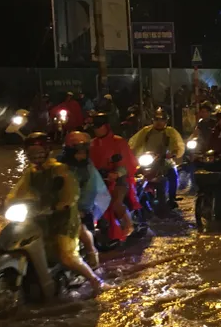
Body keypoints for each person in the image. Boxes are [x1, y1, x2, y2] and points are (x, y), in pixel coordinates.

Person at [7, 132, 102, 294]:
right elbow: (18, 191)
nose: (35, 156)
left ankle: (96, 281)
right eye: (31, 152)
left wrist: (62, 204)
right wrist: (7, 204)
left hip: (63, 218)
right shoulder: (31, 172)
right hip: (40, 215)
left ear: (47, 151)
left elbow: (71, 192)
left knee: (67, 256)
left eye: (39, 152)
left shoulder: (59, 169)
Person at [59, 131, 110, 268]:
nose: (80, 154)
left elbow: (89, 191)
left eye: (83, 149)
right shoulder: (57, 163)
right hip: (57, 205)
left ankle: (91, 253)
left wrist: (80, 209)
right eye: (76, 148)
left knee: (81, 227)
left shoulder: (86, 169)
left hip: (78, 208)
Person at [90, 112, 138, 240]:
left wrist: (117, 173)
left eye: (99, 126)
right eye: (94, 126)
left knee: (116, 202)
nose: (96, 129)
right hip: (98, 180)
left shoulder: (118, 141)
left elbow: (126, 163)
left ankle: (128, 225)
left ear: (106, 126)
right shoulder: (91, 144)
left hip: (119, 180)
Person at [129, 107, 185, 207]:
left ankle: (172, 198)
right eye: (156, 119)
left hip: (165, 161)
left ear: (165, 121)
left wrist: (173, 153)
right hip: (148, 159)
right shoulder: (146, 131)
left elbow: (178, 145)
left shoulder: (170, 132)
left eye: (161, 120)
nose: (159, 122)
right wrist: (130, 153)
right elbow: (135, 143)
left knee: (173, 175)